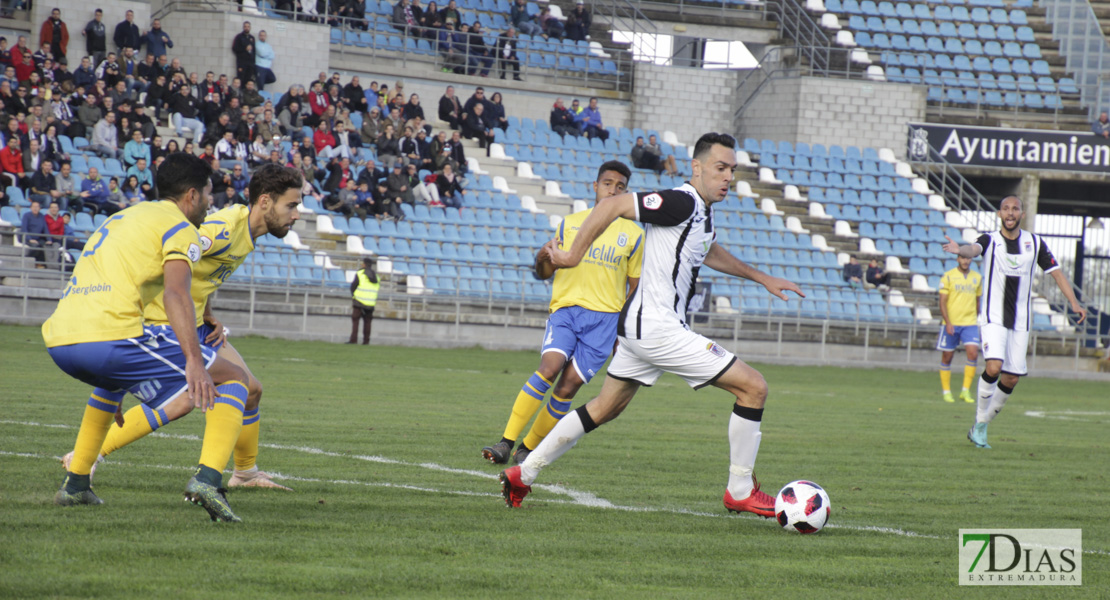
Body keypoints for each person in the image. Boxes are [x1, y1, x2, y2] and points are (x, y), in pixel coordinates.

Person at [499, 133, 805, 515]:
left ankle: (522, 474)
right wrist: (574, 255)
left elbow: (706, 248)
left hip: (642, 329)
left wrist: (762, 277)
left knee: (604, 408)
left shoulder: (701, 213)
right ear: (697, 168)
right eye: (720, 168)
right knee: (753, 387)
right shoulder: (679, 201)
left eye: (732, 170)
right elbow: (611, 206)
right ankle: (740, 489)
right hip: (657, 329)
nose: (728, 177)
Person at [69, 163, 303, 493]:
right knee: (183, 402)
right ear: (265, 202)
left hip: (196, 321)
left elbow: (199, 273)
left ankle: (246, 473)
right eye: (291, 205)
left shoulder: (247, 233)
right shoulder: (221, 228)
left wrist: (208, 311)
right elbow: (177, 259)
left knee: (252, 390)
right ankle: (87, 456)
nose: (296, 214)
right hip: (167, 320)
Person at [45, 153, 251, 522]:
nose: (210, 203)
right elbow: (176, 294)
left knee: (112, 388)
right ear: (191, 195)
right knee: (232, 377)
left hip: (61, 336)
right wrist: (193, 360)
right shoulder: (180, 228)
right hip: (109, 338)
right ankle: (207, 480)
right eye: (208, 194)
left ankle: (75, 486)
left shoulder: (126, 216)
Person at [482, 161, 642, 465]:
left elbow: (634, 289)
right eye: (607, 183)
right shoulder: (570, 223)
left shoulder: (634, 235)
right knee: (550, 367)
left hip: (605, 323)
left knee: (568, 387)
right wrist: (541, 258)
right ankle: (505, 442)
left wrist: (623, 331)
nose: (613, 190)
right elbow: (544, 272)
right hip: (567, 311)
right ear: (595, 187)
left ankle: (527, 448)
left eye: (620, 187)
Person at [941, 196, 1086, 449]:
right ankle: (980, 422)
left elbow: (1057, 272)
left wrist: (1073, 302)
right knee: (994, 367)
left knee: (1011, 379)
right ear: (999, 214)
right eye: (1006, 209)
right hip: (993, 317)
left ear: (1022, 213)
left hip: (1020, 321)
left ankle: (980, 427)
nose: (1010, 213)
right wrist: (960, 250)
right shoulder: (989, 240)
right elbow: (972, 250)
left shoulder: (1035, 243)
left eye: (1015, 209)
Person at [936, 255, 982, 404]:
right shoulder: (948, 276)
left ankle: (965, 391)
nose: (965, 261)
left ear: (971, 260)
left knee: (973, 354)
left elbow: (977, 301)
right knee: (947, 357)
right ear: (958, 259)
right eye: (962, 258)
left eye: (968, 258)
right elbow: (942, 302)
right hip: (951, 323)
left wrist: (977, 318)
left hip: (970, 323)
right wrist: (948, 322)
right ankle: (947, 392)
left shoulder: (977, 277)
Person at [348, 257, 380, 344]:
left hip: (359, 301)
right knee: (368, 322)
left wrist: (354, 296)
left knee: (355, 320)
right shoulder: (376, 276)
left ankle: (353, 340)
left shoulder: (360, 273)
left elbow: (353, 286)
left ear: (364, 264)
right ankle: (366, 341)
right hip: (371, 303)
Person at [20, 199, 50, 266]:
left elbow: (45, 229)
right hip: (26, 238)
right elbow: (24, 229)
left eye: (37, 207)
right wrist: (30, 239)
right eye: (34, 206)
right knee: (36, 246)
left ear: (40, 208)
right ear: (31, 208)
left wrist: (49, 240)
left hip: (37, 239)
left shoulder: (42, 216)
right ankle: (26, 261)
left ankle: (41, 264)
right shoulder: (26, 215)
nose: (35, 208)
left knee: (45, 245)